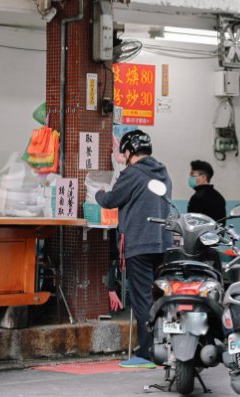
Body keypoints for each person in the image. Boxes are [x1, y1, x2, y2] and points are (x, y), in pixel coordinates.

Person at [95, 129, 172, 368]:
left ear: (128, 152)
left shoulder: (132, 173)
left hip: (139, 243)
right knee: (159, 296)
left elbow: (110, 200)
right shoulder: (162, 172)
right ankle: (160, 346)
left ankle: (147, 353)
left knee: (141, 299)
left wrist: (97, 192)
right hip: (163, 243)